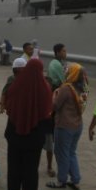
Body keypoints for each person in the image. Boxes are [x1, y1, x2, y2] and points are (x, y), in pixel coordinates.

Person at [4, 58, 52, 190]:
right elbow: (46, 113)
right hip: (34, 134)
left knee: (14, 163)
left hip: (14, 131)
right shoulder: (44, 89)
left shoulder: (15, 86)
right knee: (31, 167)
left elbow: (9, 108)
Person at [48, 63, 87, 190]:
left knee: (61, 153)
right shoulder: (82, 87)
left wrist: (54, 95)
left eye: (68, 70)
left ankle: (61, 180)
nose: (66, 71)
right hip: (77, 125)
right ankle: (75, 180)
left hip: (65, 126)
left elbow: (55, 106)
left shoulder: (66, 88)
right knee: (71, 152)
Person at [43, 43, 67, 177]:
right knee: (51, 134)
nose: (65, 53)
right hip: (56, 97)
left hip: (53, 96)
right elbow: (65, 82)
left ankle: (50, 165)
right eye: (63, 51)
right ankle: (50, 166)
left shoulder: (54, 63)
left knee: (50, 135)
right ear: (57, 52)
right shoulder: (57, 65)